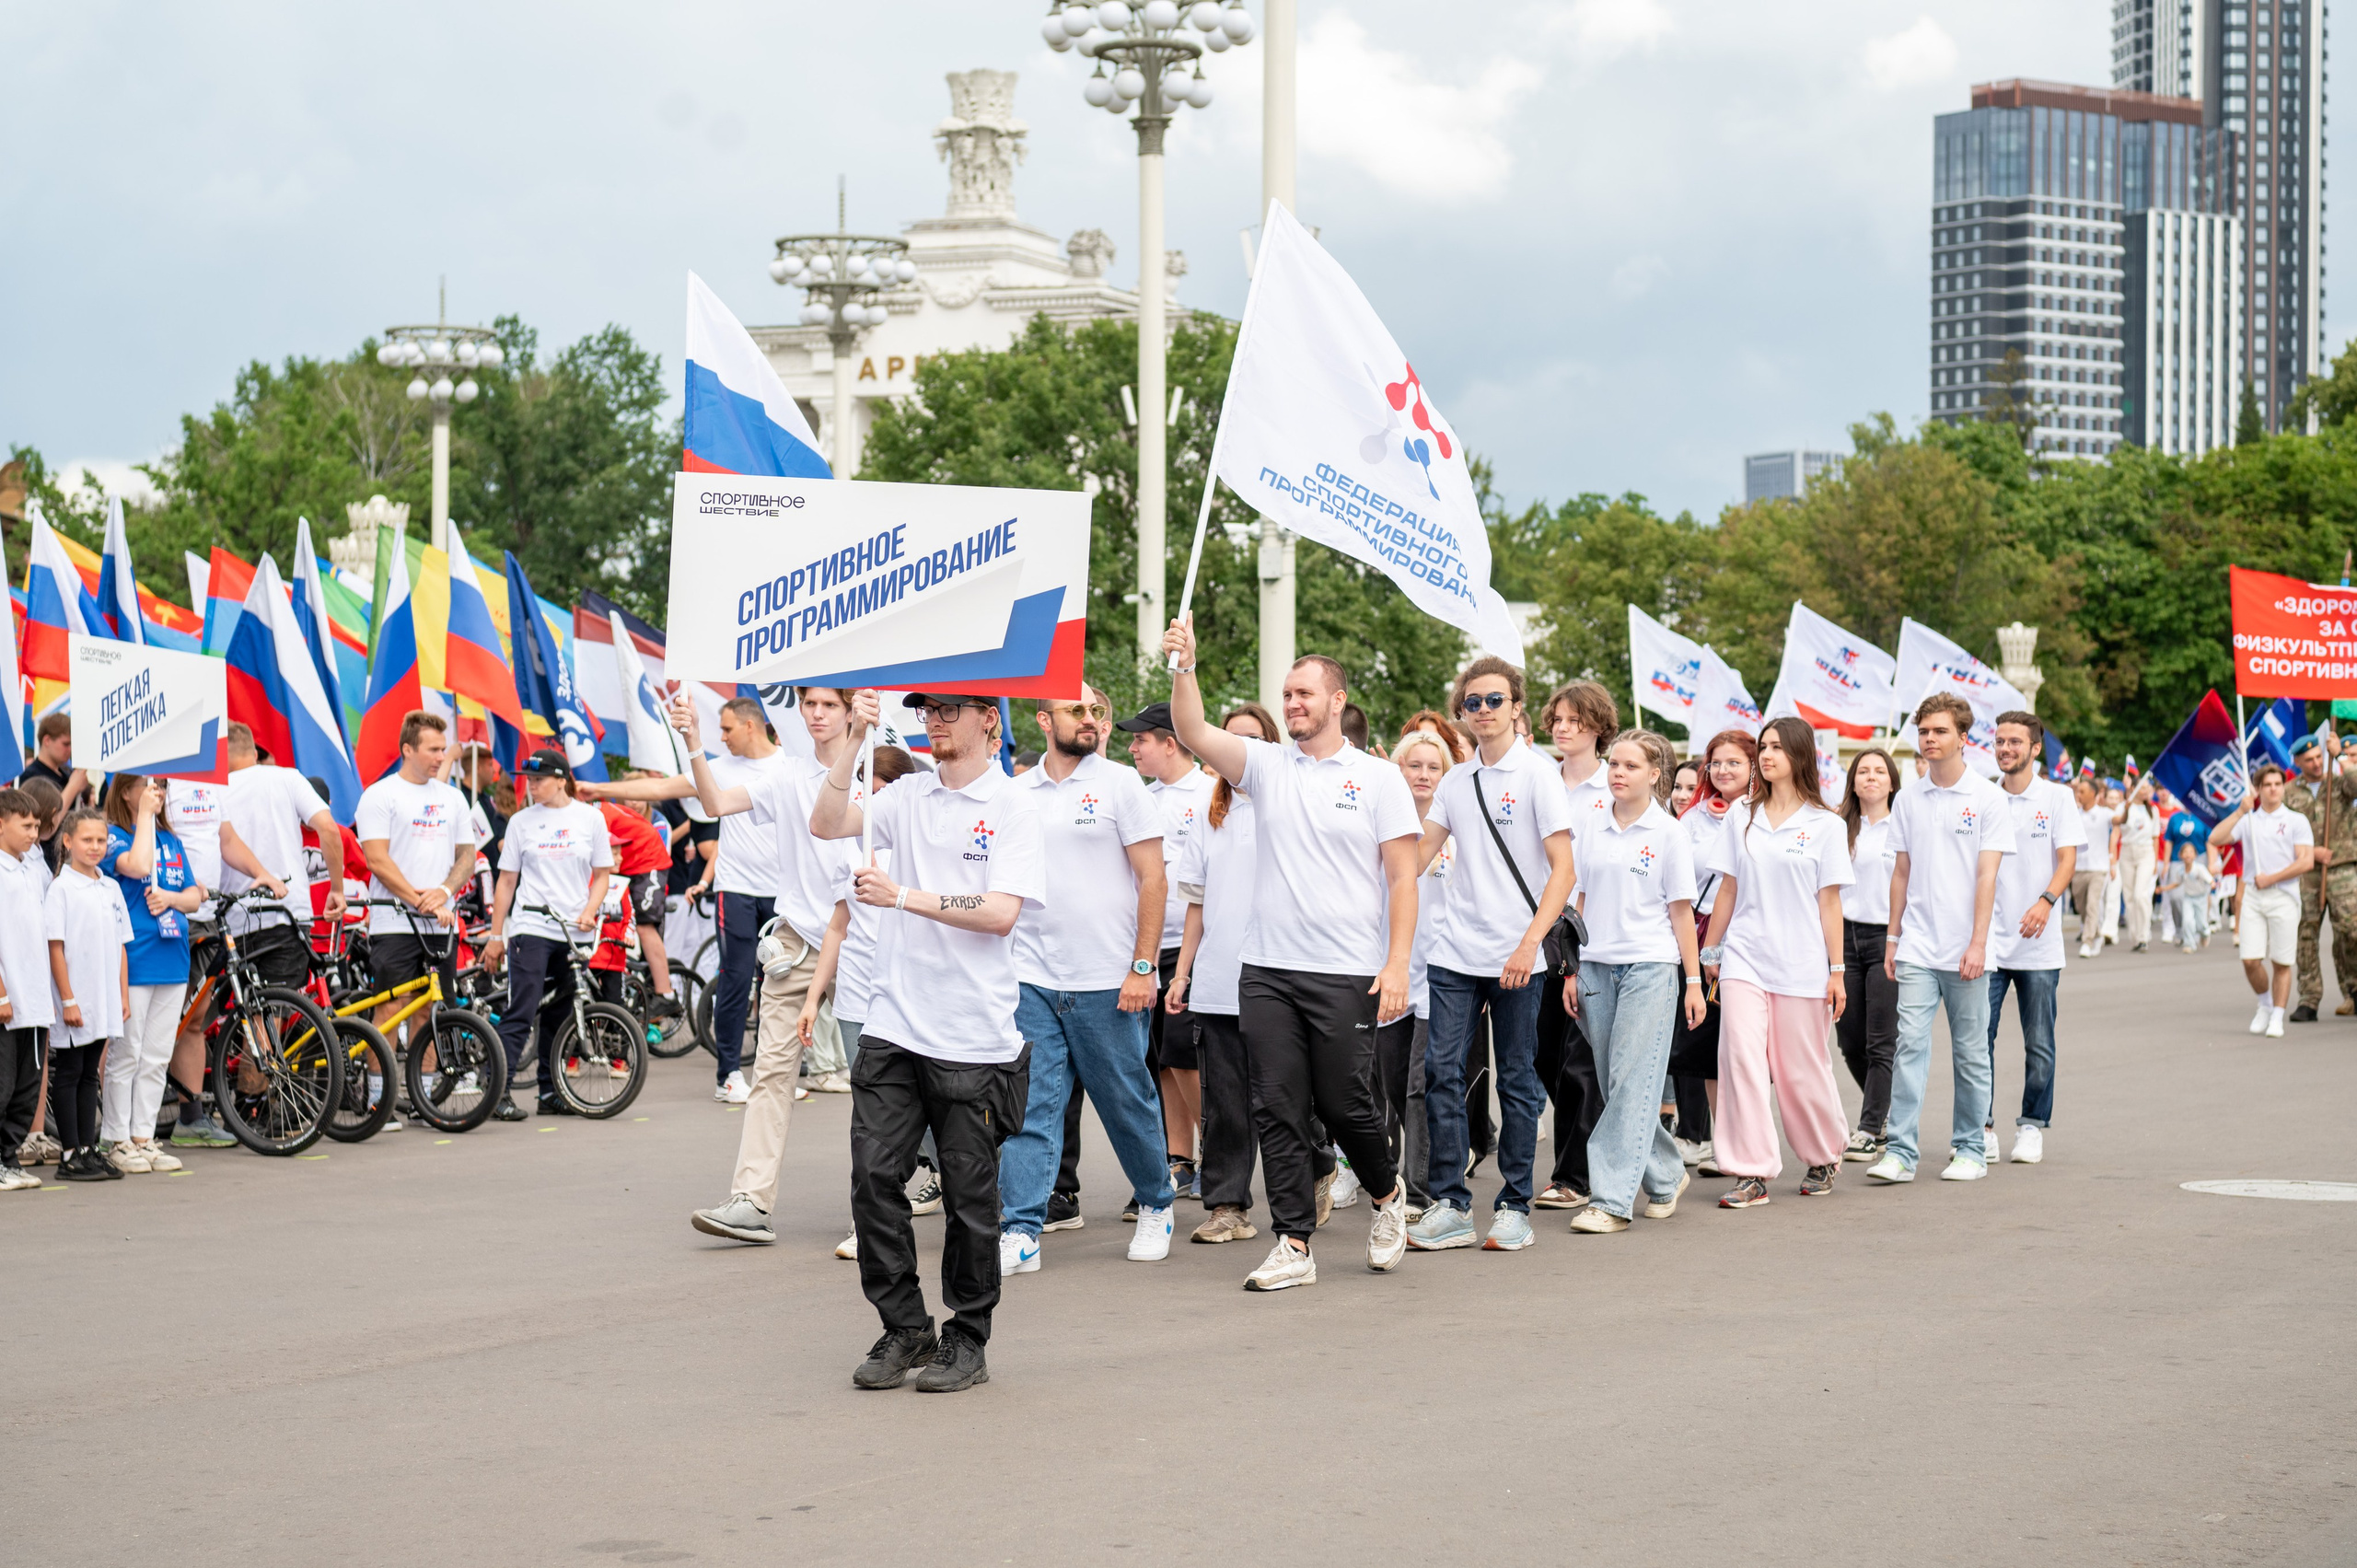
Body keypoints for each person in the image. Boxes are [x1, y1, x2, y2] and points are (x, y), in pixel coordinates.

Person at [1165, 621, 1413, 1290]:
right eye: (1287, 694)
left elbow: (1401, 878)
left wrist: (1396, 964)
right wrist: (1185, 665)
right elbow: (1192, 731)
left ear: (1337, 700)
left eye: (1305, 693)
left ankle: (1389, 1198)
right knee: (1275, 1104)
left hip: (1346, 973)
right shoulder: (1266, 766)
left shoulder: (1377, 778)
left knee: (1343, 1104)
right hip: (1268, 969)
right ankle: (1294, 1243)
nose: (1293, 702)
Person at [812, 691, 1043, 1395]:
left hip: (974, 1037)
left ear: (988, 721)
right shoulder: (905, 795)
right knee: (873, 1178)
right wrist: (854, 732)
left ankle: (967, 1335)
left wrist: (904, 894)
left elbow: (1002, 913)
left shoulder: (1013, 807)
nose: (935, 720)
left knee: (971, 1199)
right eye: (926, 711)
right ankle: (905, 1325)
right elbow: (826, 822)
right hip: (893, 1026)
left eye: (949, 709)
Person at [635, 692, 854, 1242]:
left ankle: (894, 1199)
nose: (817, 713)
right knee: (770, 1078)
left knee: (884, 1084)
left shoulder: (883, 773)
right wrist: (693, 742)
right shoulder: (787, 775)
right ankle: (751, 1203)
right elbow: (713, 803)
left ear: (853, 711)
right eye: (810, 704)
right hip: (796, 942)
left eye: (830, 704)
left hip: (863, 944)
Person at [993, 685, 1178, 1272]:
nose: (1093, 719)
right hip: (1031, 977)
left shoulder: (1121, 784)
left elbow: (1154, 879)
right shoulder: (1015, 792)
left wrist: (1142, 966)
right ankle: (1019, 1229)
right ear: (1045, 720)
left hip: (1108, 978)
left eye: (1098, 709)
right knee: (1030, 1109)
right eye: (1079, 710)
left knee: (1126, 1103)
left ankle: (1156, 1203)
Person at [1406, 656, 1575, 1253]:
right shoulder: (1455, 780)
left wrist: (1530, 944)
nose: (1482, 710)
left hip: (1517, 955)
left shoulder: (1537, 775)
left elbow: (1564, 869)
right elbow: (1417, 855)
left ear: (1516, 705)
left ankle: (1513, 1206)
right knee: (1441, 1073)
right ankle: (1451, 1202)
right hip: (1455, 951)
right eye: (1472, 702)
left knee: (1518, 1079)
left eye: (1493, 700)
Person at [587, 695, 789, 1105]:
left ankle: (777, 1074)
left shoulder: (790, 764)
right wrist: (596, 788)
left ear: (751, 726)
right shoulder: (718, 768)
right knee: (736, 979)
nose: (722, 737)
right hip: (737, 889)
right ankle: (728, 1075)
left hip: (784, 892)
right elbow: (661, 786)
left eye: (727, 729)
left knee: (782, 985)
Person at [1699, 717, 1852, 1209]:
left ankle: (1824, 1153)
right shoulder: (1741, 814)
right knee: (1740, 1060)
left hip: (1803, 964)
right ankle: (1750, 1170)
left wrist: (1837, 970)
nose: (1766, 756)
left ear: (1800, 756)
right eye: (1763, 747)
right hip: (1745, 956)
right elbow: (1728, 888)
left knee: (1799, 1068)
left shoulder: (1825, 825)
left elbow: (1830, 904)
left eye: (1777, 749)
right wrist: (1712, 950)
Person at [1867, 693, 2016, 1185]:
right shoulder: (1908, 797)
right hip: (1916, 947)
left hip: (1967, 948)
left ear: (1963, 738)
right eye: (1924, 732)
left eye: (1940, 731)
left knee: (1971, 1051)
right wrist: (1892, 938)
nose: (1930, 739)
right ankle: (1902, 1154)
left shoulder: (1988, 798)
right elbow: (1901, 873)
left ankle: (1970, 1147)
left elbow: (1987, 877)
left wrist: (1978, 943)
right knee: (1909, 1045)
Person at [1564, 730, 1706, 1230]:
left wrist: (1693, 981)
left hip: (1651, 965)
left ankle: (1610, 1201)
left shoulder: (1669, 832)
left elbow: (1682, 912)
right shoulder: (1589, 824)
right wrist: (1572, 968)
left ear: (1654, 774)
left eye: (1629, 765)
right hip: (1596, 965)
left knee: (1629, 1082)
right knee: (1618, 1082)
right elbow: (1577, 899)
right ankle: (1666, 1174)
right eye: (1614, 764)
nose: (1618, 773)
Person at [802, 742, 920, 1262]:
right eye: (860, 788)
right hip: (855, 998)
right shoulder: (848, 847)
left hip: (911, 994)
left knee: (929, 1112)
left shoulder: (919, 844)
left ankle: (980, 1190)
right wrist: (813, 999)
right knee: (871, 1115)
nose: (863, 798)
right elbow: (837, 926)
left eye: (874, 789)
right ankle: (868, 1222)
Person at [1167, 703, 1280, 1245]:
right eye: (1228, 739)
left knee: (1290, 1100)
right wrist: (1182, 974)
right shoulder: (1209, 815)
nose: (1237, 749)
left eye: (1251, 740)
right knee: (1226, 1102)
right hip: (1218, 980)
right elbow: (1197, 903)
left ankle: (1315, 1173)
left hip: (1282, 976)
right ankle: (1228, 1205)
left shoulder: (1288, 805)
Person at [1117, 699, 1215, 1199]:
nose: (1132, 748)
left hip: (1194, 944)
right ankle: (1181, 1158)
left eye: (1141, 740)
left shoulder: (1210, 790)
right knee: (1158, 1057)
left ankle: (1218, 1149)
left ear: (1170, 743)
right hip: (1146, 945)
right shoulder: (1141, 796)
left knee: (1185, 1053)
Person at [482, 750, 614, 1116]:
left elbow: (603, 875)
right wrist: (496, 936)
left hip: (575, 931)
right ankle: (498, 1093)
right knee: (522, 1011)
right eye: (528, 779)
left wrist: (590, 910)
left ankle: (550, 1093)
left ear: (561, 780)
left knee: (559, 1014)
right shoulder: (521, 822)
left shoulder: (591, 819)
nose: (531, 784)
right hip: (531, 926)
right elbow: (506, 882)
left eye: (539, 779)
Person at [1532, 679, 1619, 1205]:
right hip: (1538, 933)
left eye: (1576, 721)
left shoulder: (1613, 786)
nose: (1564, 729)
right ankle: (1591, 1149)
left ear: (1597, 727)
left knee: (1579, 1058)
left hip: (1593, 936)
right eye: (1558, 721)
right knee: (1542, 1053)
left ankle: (1573, 1177)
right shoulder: (1540, 780)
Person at [1985, 711, 2084, 1167]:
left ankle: (2031, 1125)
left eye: (2015, 742)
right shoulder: (1984, 796)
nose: (2006, 748)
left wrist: (2045, 901)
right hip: (1987, 941)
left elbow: (2066, 860)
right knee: (1976, 1039)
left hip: (2038, 945)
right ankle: (1980, 1127)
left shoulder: (2057, 798)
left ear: (2035, 748)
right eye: (2001, 740)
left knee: (2039, 1042)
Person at [354, 712, 476, 1058]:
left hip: (441, 923)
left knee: (429, 1011)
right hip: (394, 923)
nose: (442, 757)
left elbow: (466, 856)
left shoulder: (452, 798)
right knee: (392, 1010)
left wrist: (445, 892)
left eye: (443, 749)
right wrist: (421, 900)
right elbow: (377, 860)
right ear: (407, 749)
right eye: (434, 749)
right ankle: (380, 1101)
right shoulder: (380, 795)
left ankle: (424, 1098)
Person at [163, 772, 274, 1150]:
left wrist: (261, 872)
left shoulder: (211, 784)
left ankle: (190, 1119)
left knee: (193, 1020)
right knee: (156, 1016)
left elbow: (226, 841)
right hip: (168, 912)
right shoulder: (157, 778)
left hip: (207, 912)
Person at [98, 775, 202, 1172]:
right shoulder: (113, 837)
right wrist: (144, 815)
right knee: (128, 1053)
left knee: (157, 1055)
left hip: (172, 956)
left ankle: (143, 1135)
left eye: (160, 785)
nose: (157, 790)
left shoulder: (171, 842)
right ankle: (116, 1138)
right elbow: (138, 865)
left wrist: (171, 898)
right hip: (134, 957)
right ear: (125, 791)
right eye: (146, 785)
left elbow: (193, 895)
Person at [1667, 730, 1757, 1176]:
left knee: (1745, 1048)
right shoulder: (1691, 819)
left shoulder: (1766, 814)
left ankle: (1751, 1140)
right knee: (1707, 1049)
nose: (1723, 771)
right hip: (1704, 941)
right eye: (1716, 763)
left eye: (1734, 763)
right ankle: (1725, 1146)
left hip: (1754, 939)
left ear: (1754, 766)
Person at [218, 722, 344, 990]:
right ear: (253, 752)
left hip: (235, 915)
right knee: (276, 1009)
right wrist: (337, 889)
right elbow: (329, 828)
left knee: (246, 1014)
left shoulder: (214, 791)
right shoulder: (287, 778)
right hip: (289, 910)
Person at [1385, 726, 1454, 1221]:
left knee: (1420, 1083)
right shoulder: (1386, 822)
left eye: (1434, 767)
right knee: (1384, 1084)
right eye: (1415, 765)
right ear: (1399, 769)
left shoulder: (1457, 832)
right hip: (1389, 970)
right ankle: (1388, 1173)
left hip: (1440, 973)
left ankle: (1421, 1187)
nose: (1424, 774)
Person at [45, 809, 134, 1182]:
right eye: (87, 840)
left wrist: (122, 995)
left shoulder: (109, 887)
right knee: (69, 1071)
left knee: (90, 1075)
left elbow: (121, 945)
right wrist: (67, 999)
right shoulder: (61, 888)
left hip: (104, 997)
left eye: (101, 840)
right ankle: (69, 1154)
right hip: (76, 998)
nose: (95, 847)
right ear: (68, 842)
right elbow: (55, 947)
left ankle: (87, 1148)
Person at [2210, 761, 2315, 1038]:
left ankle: (2278, 1016)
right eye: (2267, 785)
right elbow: (2215, 837)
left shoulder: (2296, 820)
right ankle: (2265, 1004)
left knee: (2281, 962)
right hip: (2254, 897)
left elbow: (2306, 862)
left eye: (2277, 784)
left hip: (2284, 896)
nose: (2273, 789)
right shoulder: (2249, 821)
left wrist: (2273, 877)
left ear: (2283, 787)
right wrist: (2239, 811)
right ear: (2258, 789)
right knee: (2250, 960)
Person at [1835, 748, 1901, 1162]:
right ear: (1853, 781)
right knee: (1848, 1040)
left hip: (1887, 938)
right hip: (1842, 938)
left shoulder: (1903, 827)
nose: (1871, 777)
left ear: (1892, 781)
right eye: (1864, 771)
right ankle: (1885, 1111)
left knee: (1881, 1041)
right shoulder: (1838, 827)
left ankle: (1870, 1126)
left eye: (1879, 771)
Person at [0, 790, 54, 1191]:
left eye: (37, 826)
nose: (34, 834)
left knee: (26, 1086)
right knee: (2, 1085)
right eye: (26, 825)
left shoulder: (31, 870)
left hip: (35, 1000)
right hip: (8, 998)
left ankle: (8, 1156)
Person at [2284, 731, 2357, 1020]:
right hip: (2306, 871)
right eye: (2309, 760)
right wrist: (2312, 852)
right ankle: (2309, 998)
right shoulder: (2289, 792)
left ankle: (2353, 988)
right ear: (2298, 762)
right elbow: (2280, 832)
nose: (2316, 763)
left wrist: (2339, 755)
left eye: (2319, 757)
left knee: (2350, 930)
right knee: (2305, 934)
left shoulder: (2339, 783)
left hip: (2342, 868)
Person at [2072, 775, 2118, 959]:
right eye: (2078, 791)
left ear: (2093, 794)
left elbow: (2119, 819)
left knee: (2092, 905)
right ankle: (2096, 933)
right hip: (2078, 868)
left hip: (2099, 868)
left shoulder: (2105, 813)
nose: (2079, 795)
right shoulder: (2074, 813)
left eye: (2082, 791)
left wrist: (2127, 809)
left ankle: (2087, 941)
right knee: (2081, 907)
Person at [2117, 774, 2159, 953]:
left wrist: (2155, 860)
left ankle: (2144, 935)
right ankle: (2135, 937)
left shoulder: (2153, 810)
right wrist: (2125, 809)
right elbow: (2117, 823)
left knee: (2141, 895)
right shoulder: (2123, 807)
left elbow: (2156, 837)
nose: (2146, 791)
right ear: (2133, 789)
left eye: (2147, 788)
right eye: (2142, 788)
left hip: (2145, 853)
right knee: (2129, 897)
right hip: (2127, 852)